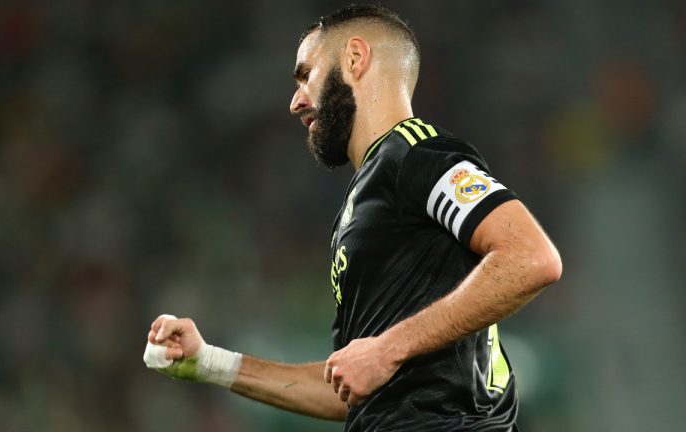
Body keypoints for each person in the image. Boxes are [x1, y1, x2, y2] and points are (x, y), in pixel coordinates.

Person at [143, 4, 561, 431]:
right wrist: (209, 362)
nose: (295, 102)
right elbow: (349, 385)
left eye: (306, 75)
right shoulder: (363, 201)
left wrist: (388, 348)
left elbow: (530, 257)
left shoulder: (416, 154)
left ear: (355, 59)